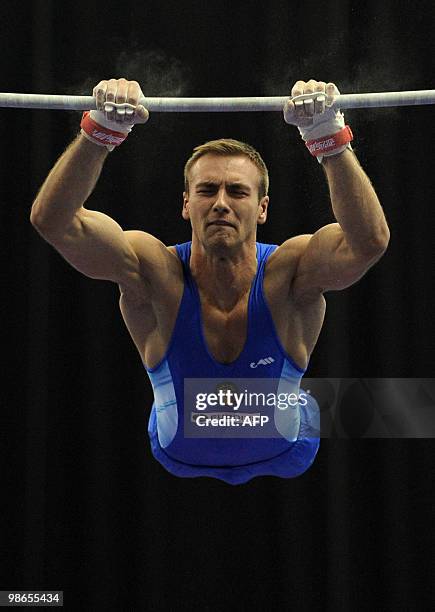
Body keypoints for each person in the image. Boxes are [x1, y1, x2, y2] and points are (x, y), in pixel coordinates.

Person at [30, 77, 390, 484]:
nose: (221, 203)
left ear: (262, 208)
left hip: (286, 446)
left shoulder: (290, 272)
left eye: (237, 191)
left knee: (389, 408)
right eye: (206, 190)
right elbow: (54, 222)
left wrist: (329, 139)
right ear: (186, 204)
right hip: (180, 453)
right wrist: (98, 133)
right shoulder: (154, 272)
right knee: (381, 408)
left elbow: (368, 243)